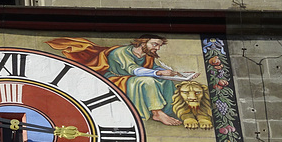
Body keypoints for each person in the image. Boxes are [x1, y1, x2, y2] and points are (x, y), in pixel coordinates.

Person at [46, 35, 199, 125]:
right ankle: (157, 113)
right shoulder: (121, 52)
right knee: (148, 81)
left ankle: (169, 110)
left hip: (130, 79)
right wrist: (157, 73)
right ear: (142, 43)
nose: (157, 48)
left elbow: (155, 68)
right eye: (155, 44)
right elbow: (135, 70)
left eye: (158, 46)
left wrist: (178, 74)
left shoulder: (146, 56)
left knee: (165, 81)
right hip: (116, 80)